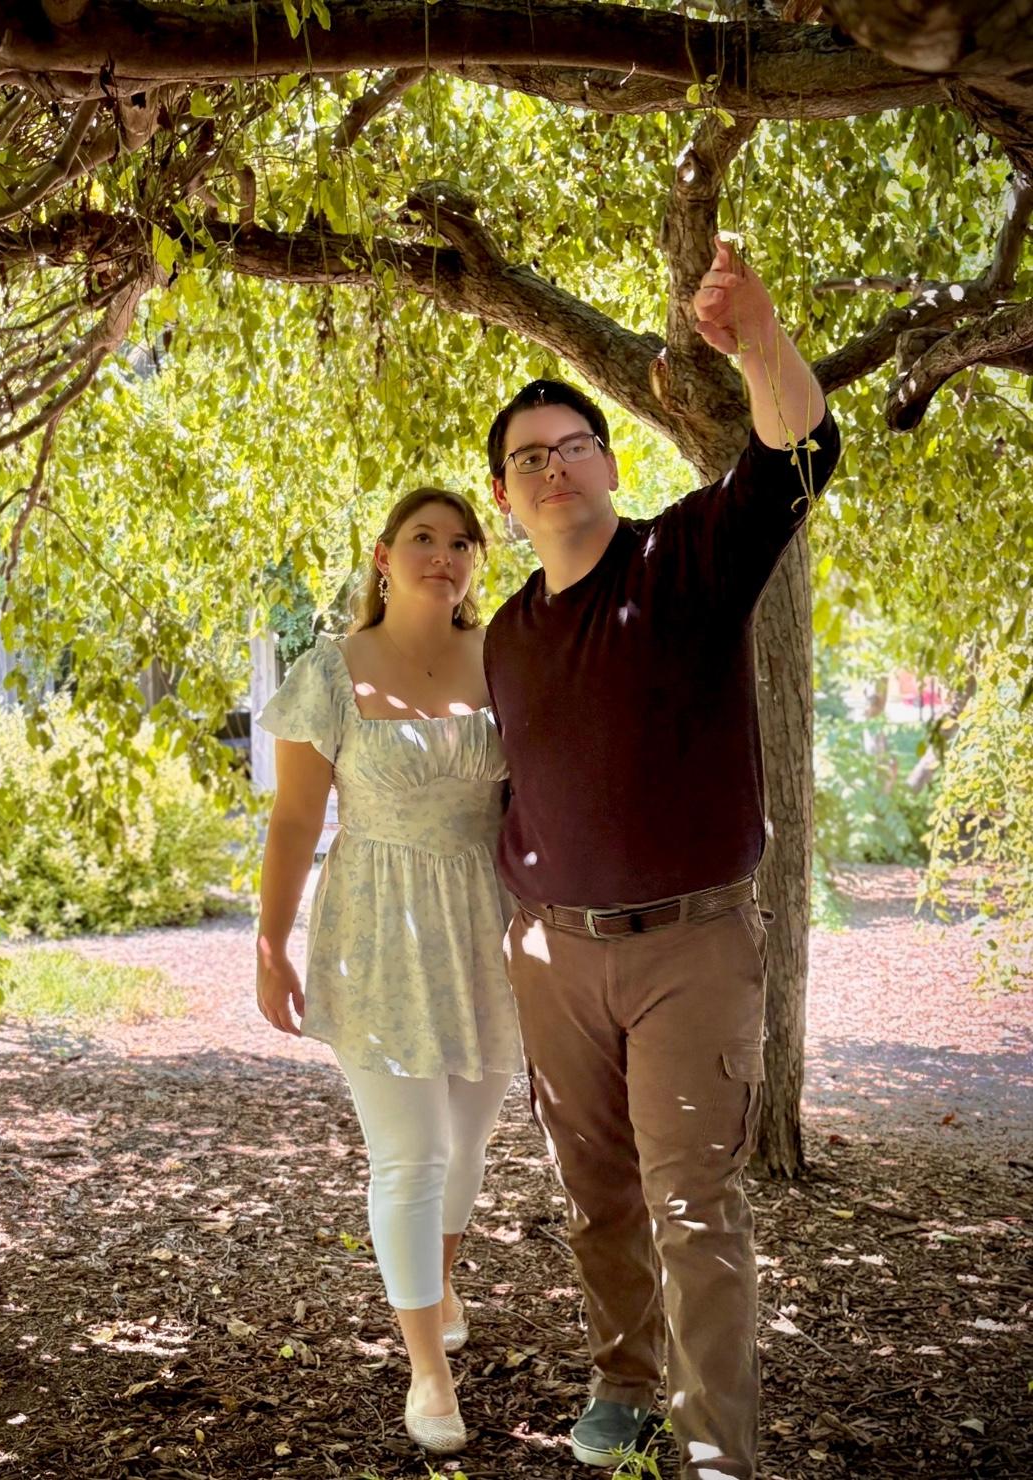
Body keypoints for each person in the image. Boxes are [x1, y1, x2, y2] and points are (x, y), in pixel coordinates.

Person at [483, 239, 842, 1480]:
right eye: (527, 458)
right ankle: (624, 1382)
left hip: (690, 950)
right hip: (554, 960)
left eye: (571, 444)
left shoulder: (685, 557)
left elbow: (801, 454)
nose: (552, 466)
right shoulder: (504, 636)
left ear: (610, 463)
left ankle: (715, 1449)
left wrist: (760, 339)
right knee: (595, 1196)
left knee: (694, 1210)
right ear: (503, 498)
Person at [254, 489, 523, 1456]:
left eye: (461, 542)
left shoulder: (507, 657)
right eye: (422, 539)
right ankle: (427, 1370)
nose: (442, 556)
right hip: (375, 926)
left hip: (489, 924)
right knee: (411, 1153)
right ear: (382, 555)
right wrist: (270, 942)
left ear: (476, 560)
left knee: (467, 1145)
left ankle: (438, 1282)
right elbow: (294, 820)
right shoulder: (330, 670)